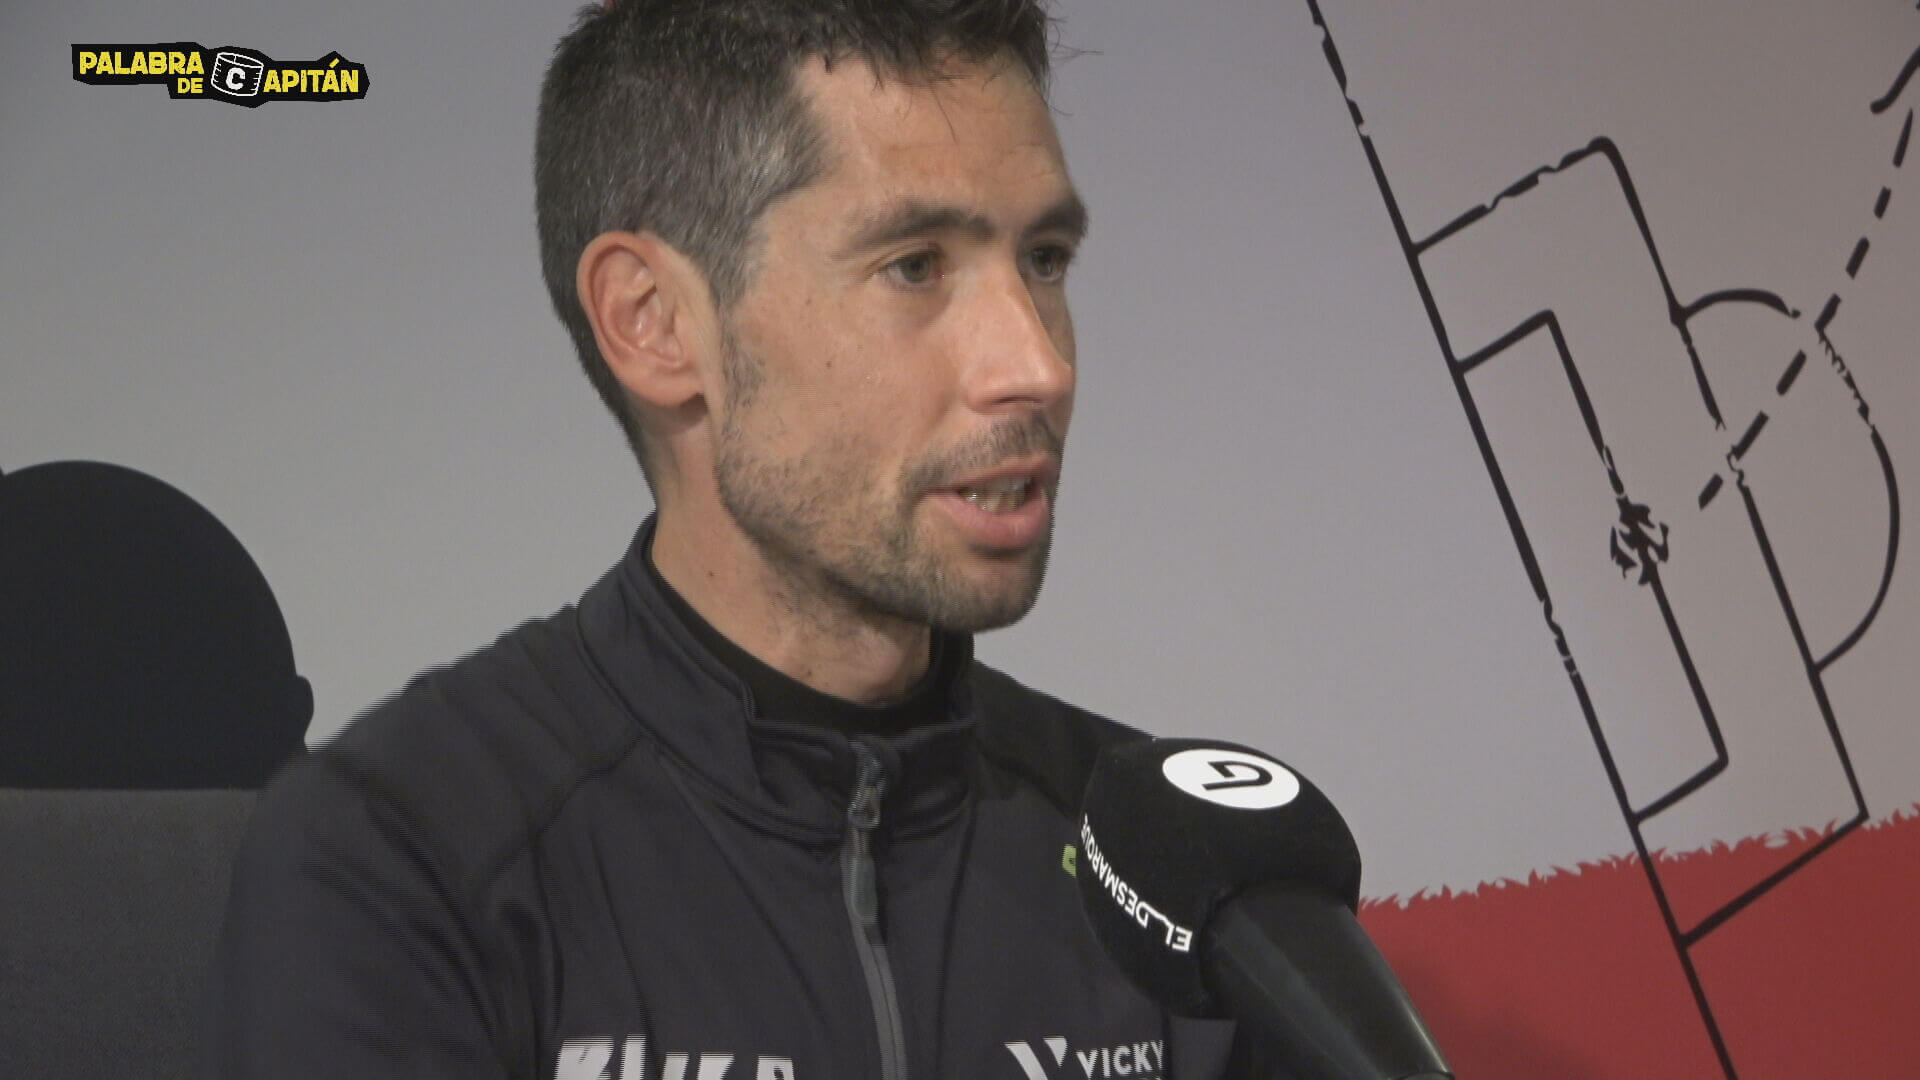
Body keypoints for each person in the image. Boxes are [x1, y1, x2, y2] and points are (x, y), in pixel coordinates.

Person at [213, 2, 1254, 1076]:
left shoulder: (1182, 864)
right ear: (654, 322)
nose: (1037, 365)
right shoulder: (399, 857)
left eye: (1044, 258)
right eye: (916, 266)